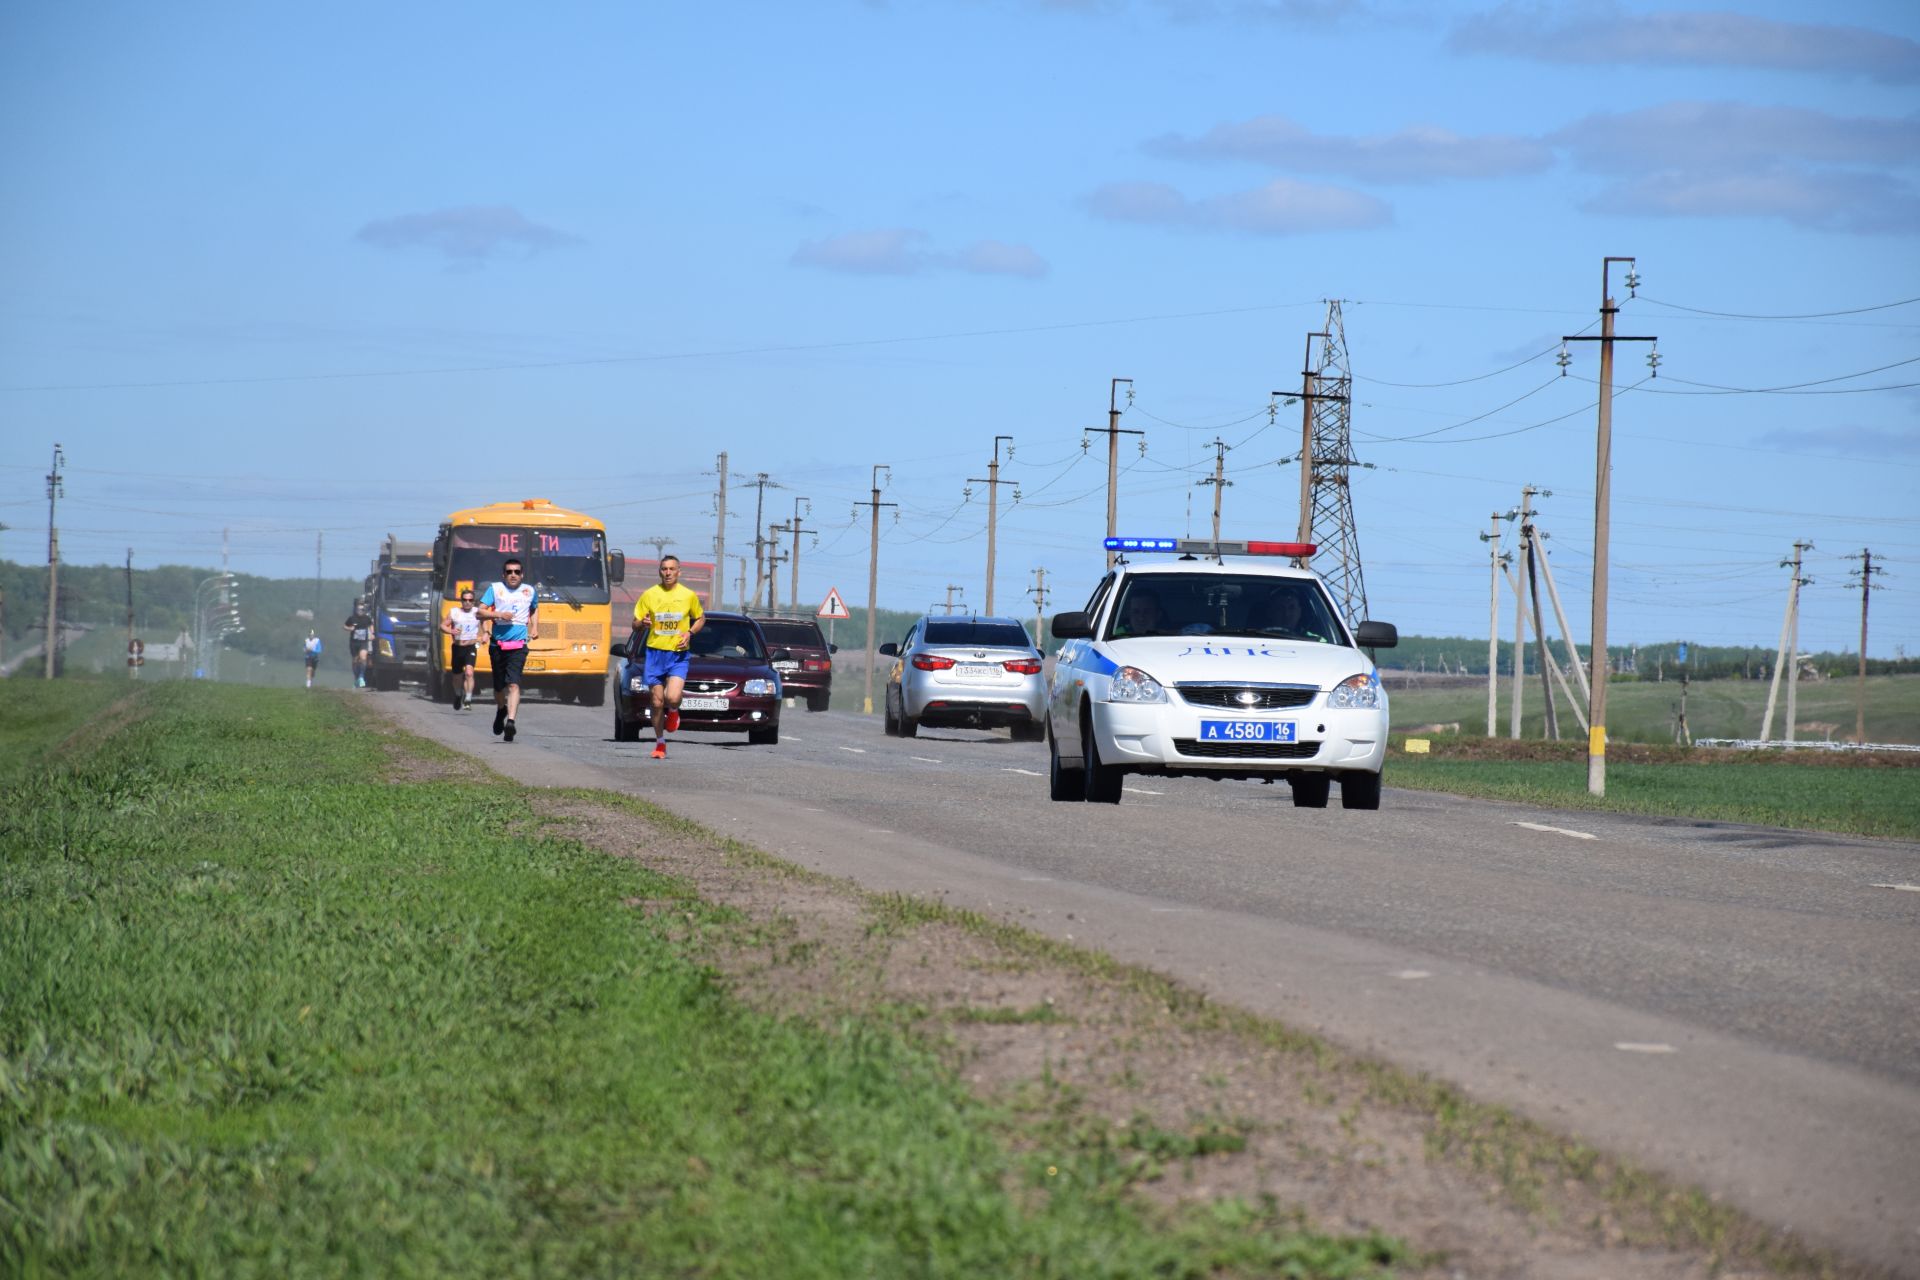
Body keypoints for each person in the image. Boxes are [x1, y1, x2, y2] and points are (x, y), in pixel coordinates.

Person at [631, 554, 705, 760]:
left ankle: (673, 710)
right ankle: (660, 743)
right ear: (660, 572)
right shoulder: (649, 595)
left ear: (679, 572)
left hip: (678, 654)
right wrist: (642, 624)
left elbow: (700, 618)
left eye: (672, 569)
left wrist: (689, 633)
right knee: (656, 702)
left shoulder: (688, 595)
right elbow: (635, 624)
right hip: (655, 653)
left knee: (671, 697)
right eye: (664, 569)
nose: (668, 572)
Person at [477, 558, 538, 743]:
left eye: (517, 572)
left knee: (513, 684)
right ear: (503, 574)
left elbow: (534, 609)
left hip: (518, 645)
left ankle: (511, 722)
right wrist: (499, 614)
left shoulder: (529, 591)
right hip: (498, 645)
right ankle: (501, 709)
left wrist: (535, 627)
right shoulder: (495, 589)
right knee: (498, 687)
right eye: (509, 572)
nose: (513, 575)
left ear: (522, 575)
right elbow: (480, 612)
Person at [441, 588, 483, 710]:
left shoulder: (478, 612)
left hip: (471, 646)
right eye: (465, 600)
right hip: (457, 647)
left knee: (469, 673)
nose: (467, 602)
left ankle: (468, 699)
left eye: (470, 600)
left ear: (474, 601)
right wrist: (451, 630)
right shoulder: (454, 612)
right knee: (457, 676)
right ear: (461, 600)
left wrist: (485, 635)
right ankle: (458, 694)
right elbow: (443, 625)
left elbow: (485, 627)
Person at [344, 602, 374, 688]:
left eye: (363, 609)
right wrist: (349, 628)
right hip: (354, 643)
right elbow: (344, 626)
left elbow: (371, 625)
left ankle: (361, 676)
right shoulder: (352, 618)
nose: (361, 611)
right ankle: (356, 678)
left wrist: (373, 633)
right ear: (356, 610)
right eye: (359, 609)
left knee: (363, 658)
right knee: (355, 660)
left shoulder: (367, 618)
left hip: (363, 642)